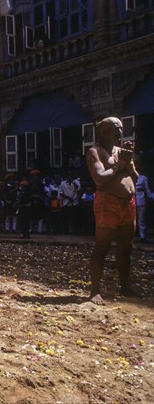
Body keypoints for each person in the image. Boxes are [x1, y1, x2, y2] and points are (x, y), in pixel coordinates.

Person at [85, 117, 139, 305]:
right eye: (116, 128)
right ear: (103, 131)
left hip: (129, 203)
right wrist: (119, 166)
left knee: (126, 247)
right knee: (103, 246)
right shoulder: (94, 152)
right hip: (108, 203)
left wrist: (130, 166)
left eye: (122, 128)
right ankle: (94, 290)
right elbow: (100, 178)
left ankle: (125, 286)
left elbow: (136, 178)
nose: (120, 132)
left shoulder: (121, 152)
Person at [135, 169, 153, 243]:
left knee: (141, 219)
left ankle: (142, 236)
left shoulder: (143, 178)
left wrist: (150, 196)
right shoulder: (130, 176)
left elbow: (147, 189)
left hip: (140, 199)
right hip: (130, 199)